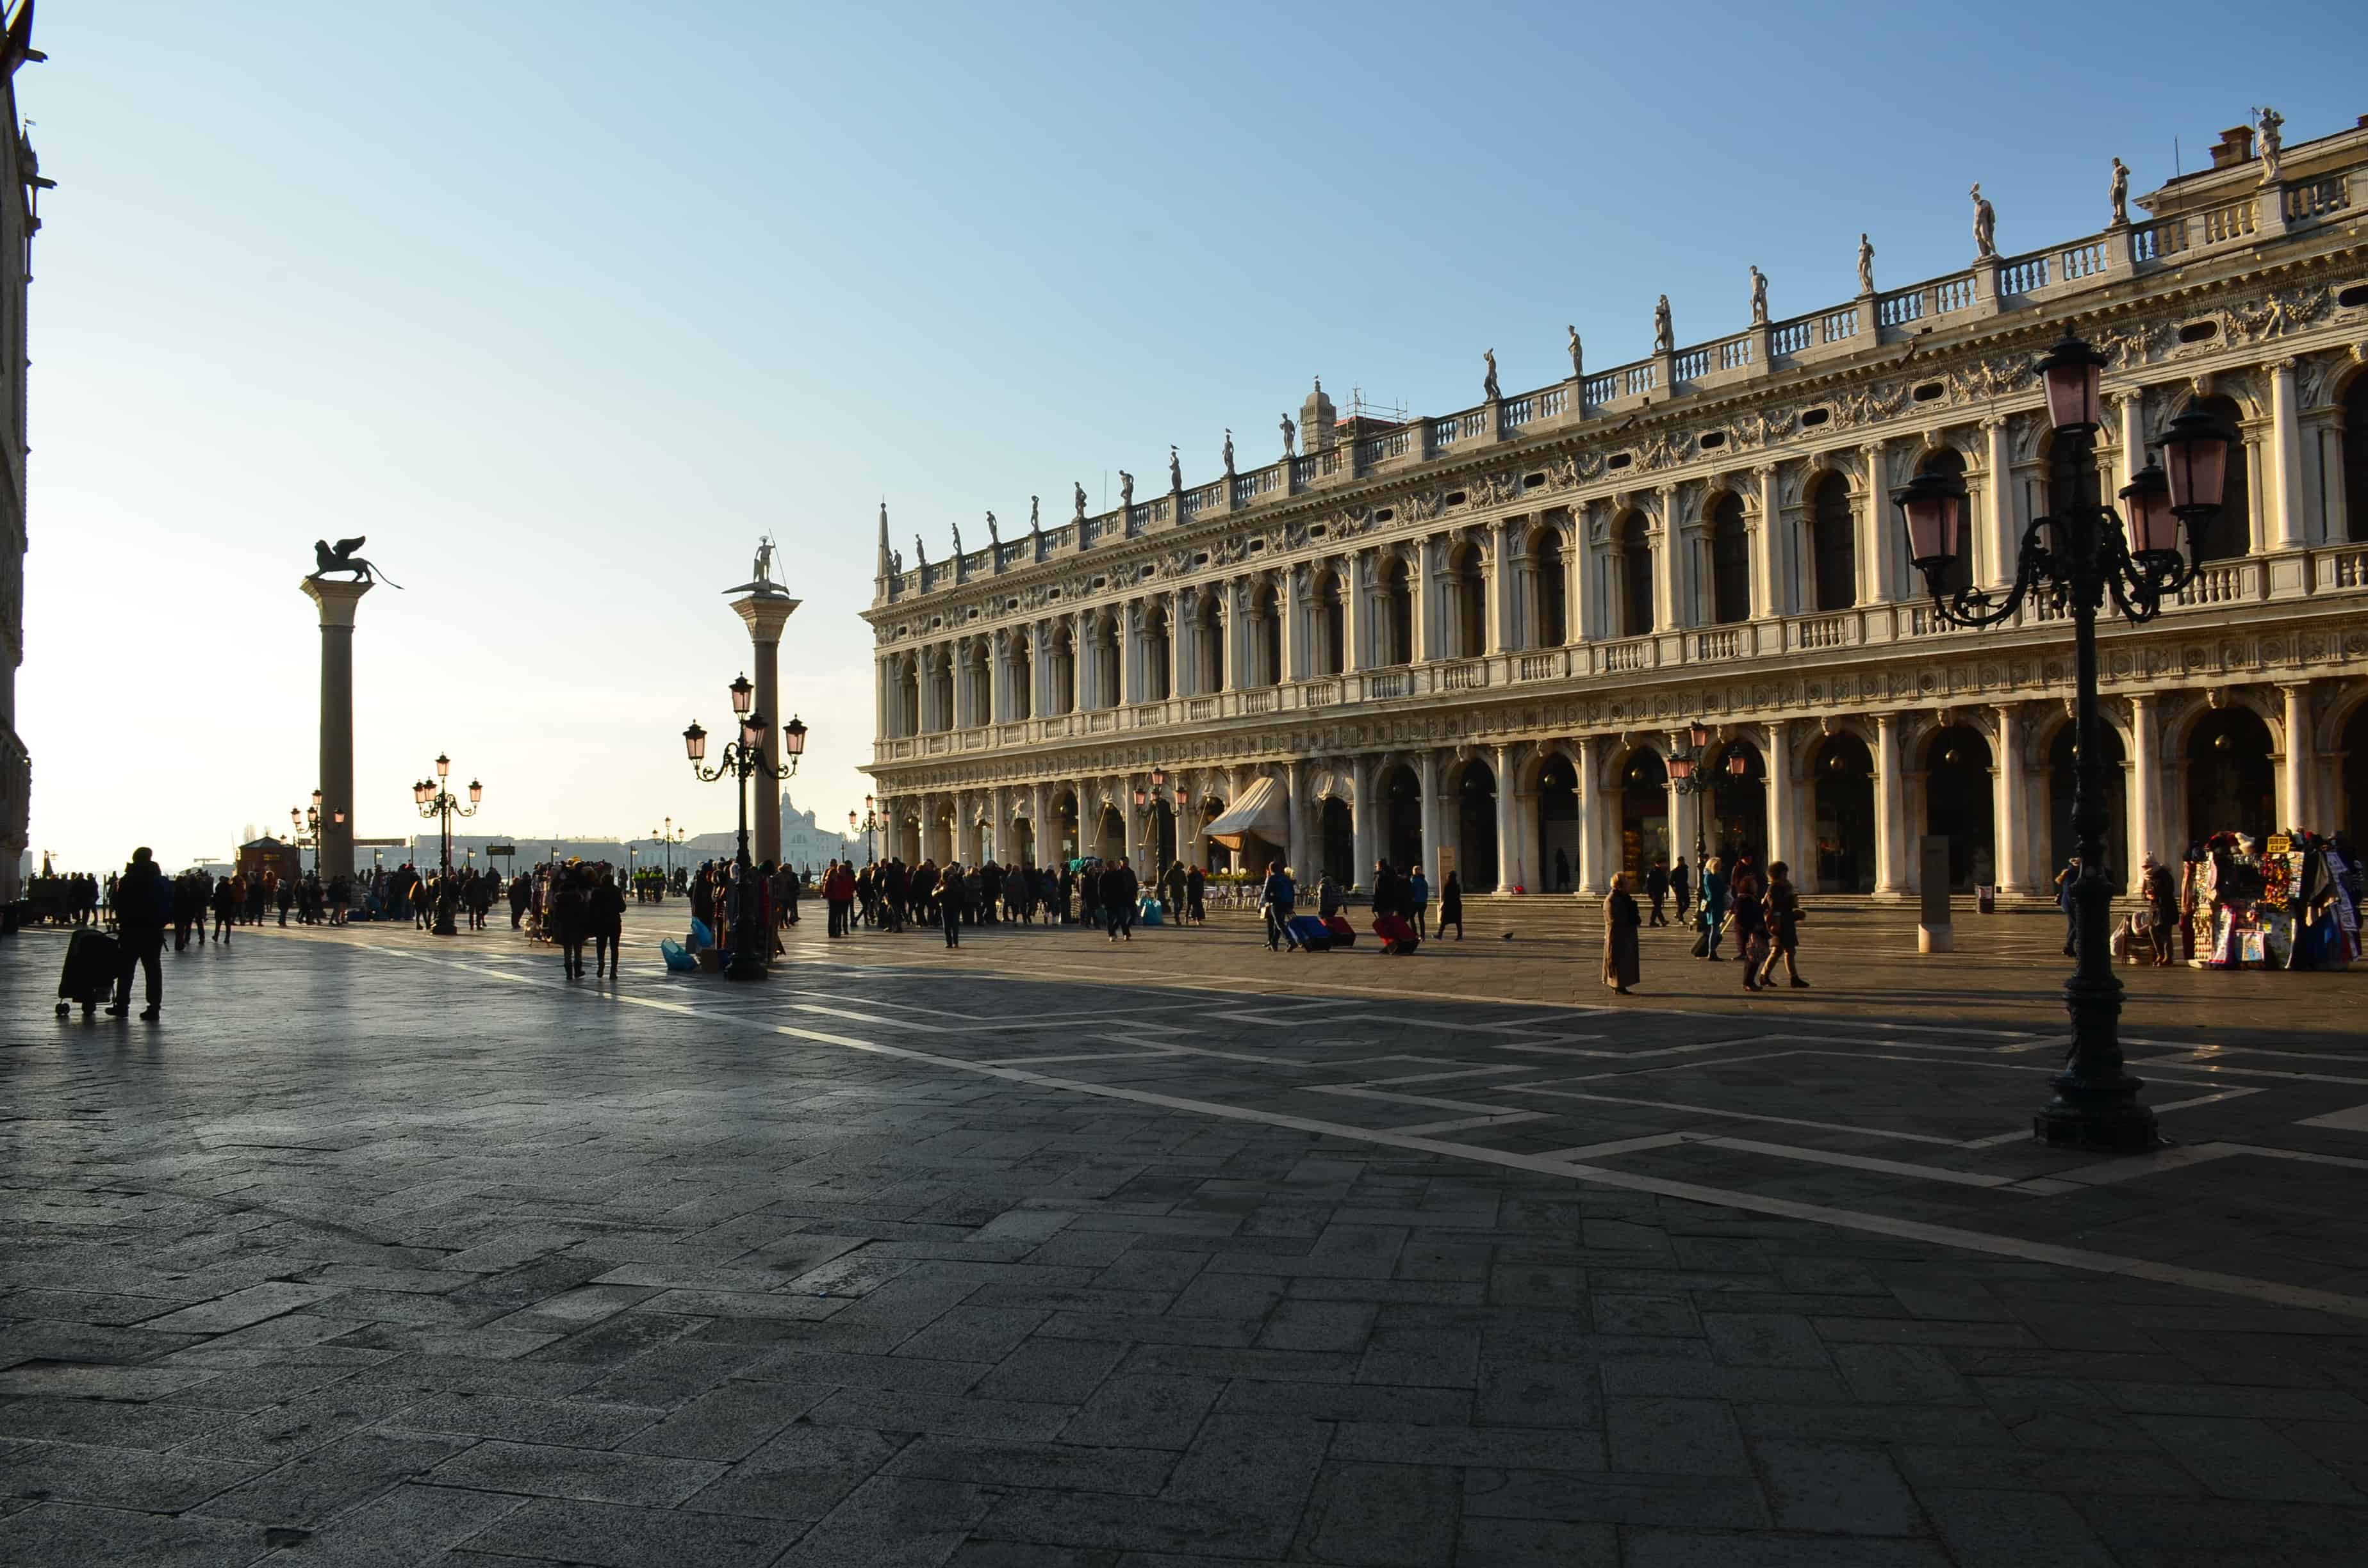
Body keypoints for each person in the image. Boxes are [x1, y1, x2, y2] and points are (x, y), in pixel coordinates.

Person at [109, 848, 169, 1020]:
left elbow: (117, 903)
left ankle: (122, 1006)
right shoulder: (159, 881)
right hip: (154, 931)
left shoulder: (128, 880)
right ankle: (154, 1008)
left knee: (126, 970)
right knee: (153, 970)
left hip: (131, 930)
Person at [1758, 860, 1808, 988]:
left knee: (1780, 951)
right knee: (1786, 951)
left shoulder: (1786, 886)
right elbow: (1775, 906)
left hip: (1787, 921)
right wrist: (1778, 920)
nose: (1786, 875)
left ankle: (1765, 975)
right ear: (1778, 874)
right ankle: (1793, 978)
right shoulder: (1774, 888)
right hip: (1780, 923)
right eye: (1784, 873)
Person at [1727, 868, 1768, 990]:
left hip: (1755, 931)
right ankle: (1748, 982)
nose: (1756, 886)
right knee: (1752, 959)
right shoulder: (1744, 900)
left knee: (1754, 959)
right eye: (1754, 885)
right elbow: (1740, 918)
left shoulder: (1752, 898)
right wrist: (1752, 927)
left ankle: (1750, 982)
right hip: (1749, 933)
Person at [1603, 872, 1641, 995]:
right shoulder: (1612, 899)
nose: (1629, 886)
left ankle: (1621, 984)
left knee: (1625, 961)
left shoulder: (1623, 897)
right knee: (1617, 960)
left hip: (1625, 933)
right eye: (1626, 883)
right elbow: (1614, 919)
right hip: (1618, 935)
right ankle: (1616, 984)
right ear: (1620, 885)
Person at [550, 867, 590, 979]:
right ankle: (578, 971)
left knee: (567, 951)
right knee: (578, 950)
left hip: (564, 927)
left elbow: (556, 916)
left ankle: (569, 973)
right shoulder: (579, 899)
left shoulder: (558, 900)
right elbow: (584, 913)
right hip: (577, 927)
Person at [2142, 853, 2178, 967]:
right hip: (2154, 908)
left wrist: (2157, 894)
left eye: (2147, 867)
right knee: (2152, 930)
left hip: (2165, 907)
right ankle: (2160, 954)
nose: (2145, 869)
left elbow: (2169, 890)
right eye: (2144, 867)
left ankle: (2168, 956)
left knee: (2165, 932)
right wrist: (2148, 896)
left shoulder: (2164, 874)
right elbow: (2143, 894)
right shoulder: (2147, 878)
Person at [589, 868, 625, 978]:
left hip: (601, 922)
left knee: (601, 946)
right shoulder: (617, 891)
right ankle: (613, 970)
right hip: (614, 922)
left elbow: (591, 907)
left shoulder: (597, 892)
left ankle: (601, 964)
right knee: (614, 947)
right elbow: (622, 908)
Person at [1260, 859, 1296, 951]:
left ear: (1270, 869)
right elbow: (1292, 892)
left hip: (1277, 903)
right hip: (1287, 902)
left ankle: (1290, 940)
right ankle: (1274, 944)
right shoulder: (1286, 878)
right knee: (1278, 923)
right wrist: (1291, 905)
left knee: (1280, 923)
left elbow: (1267, 892)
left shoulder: (1272, 878)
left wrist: (1269, 902)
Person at [1700, 856, 1729, 961]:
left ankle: (1712, 950)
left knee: (1715, 929)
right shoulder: (1710, 877)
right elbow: (1713, 892)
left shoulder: (1713, 876)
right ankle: (1711, 951)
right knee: (1714, 929)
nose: (1720, 868)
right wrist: (1723, 889)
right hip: (1714, 905)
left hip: (1716, 904)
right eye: (1718, 866)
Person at [1103, 856, 1139, 942]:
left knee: (1133, 914)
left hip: (1130, 897)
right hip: (1120, 899)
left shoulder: (1131, 873)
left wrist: (1135, 894)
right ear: (1121, 864)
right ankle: (1125, 933)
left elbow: (1135, 884)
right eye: (1124, 863)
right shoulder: (1116, 873)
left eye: (1127, 862)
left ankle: (1120, 928)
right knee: (1121, 917)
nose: (1126, 864)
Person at [2053, 856, 2080, 956]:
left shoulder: (2068, 872)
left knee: (2072, 926)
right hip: (2071, 904)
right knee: (2079, 925)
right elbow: (2070, 891)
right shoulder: (2072, 874)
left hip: (2068, 904)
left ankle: (2070, 948)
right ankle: (2068, 947)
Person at [940, 860, 967, 947]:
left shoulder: (958, 881)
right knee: (947, 926)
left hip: (955, 905)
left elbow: (963, 892)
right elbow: (934, 892)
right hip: (946, 905)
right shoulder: (942, 882)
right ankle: (949, 942)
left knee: (954, 925)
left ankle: (955, 942)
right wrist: (941, 890)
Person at [1407, 865, 1431, 940]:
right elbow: (1426, 891)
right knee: (1421, 918)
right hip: (1423, 902)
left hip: (1415, 902)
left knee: (1411, 917)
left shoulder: (1413, 881)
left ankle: (1415, 933)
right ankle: (1423, 935)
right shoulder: (1424, 881)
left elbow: (1411, 891)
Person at [1438, 871, 1464, 940]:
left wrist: (1443, 905)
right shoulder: (1457, 885)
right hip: (1456, 905)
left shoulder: (1448, 885)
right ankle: (1460, 935)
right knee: (1458, 921)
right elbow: (1458, 894)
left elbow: (1445, 896)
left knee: (1444, 921)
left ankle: (1440, 935)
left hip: (1449, 905)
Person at [1644, 860, 1669, 926]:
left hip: (1660, 892)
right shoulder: (1653, 872)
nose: (1664, 865)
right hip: (1655, 892)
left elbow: (1665, 883)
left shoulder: (1663, 872)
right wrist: (1649, 893)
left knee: (1657, 907)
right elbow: (1648, 884)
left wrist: (1666, 892)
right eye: (1663, 863)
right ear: (1658, 864)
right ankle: (1656, 921)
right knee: (1657, 907)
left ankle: (1659, 921)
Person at [1670, 857, 1692, 924]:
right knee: (1680, 904)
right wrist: (1674, 888)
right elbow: (1671, 881)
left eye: (1683, 861)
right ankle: (1681, 919)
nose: (1682, 862)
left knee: (1687, 903)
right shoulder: (1675, 871)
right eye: (1680, 861)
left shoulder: (1685, 869)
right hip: (1678, 889)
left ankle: (1678, 914)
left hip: (1685, 888)